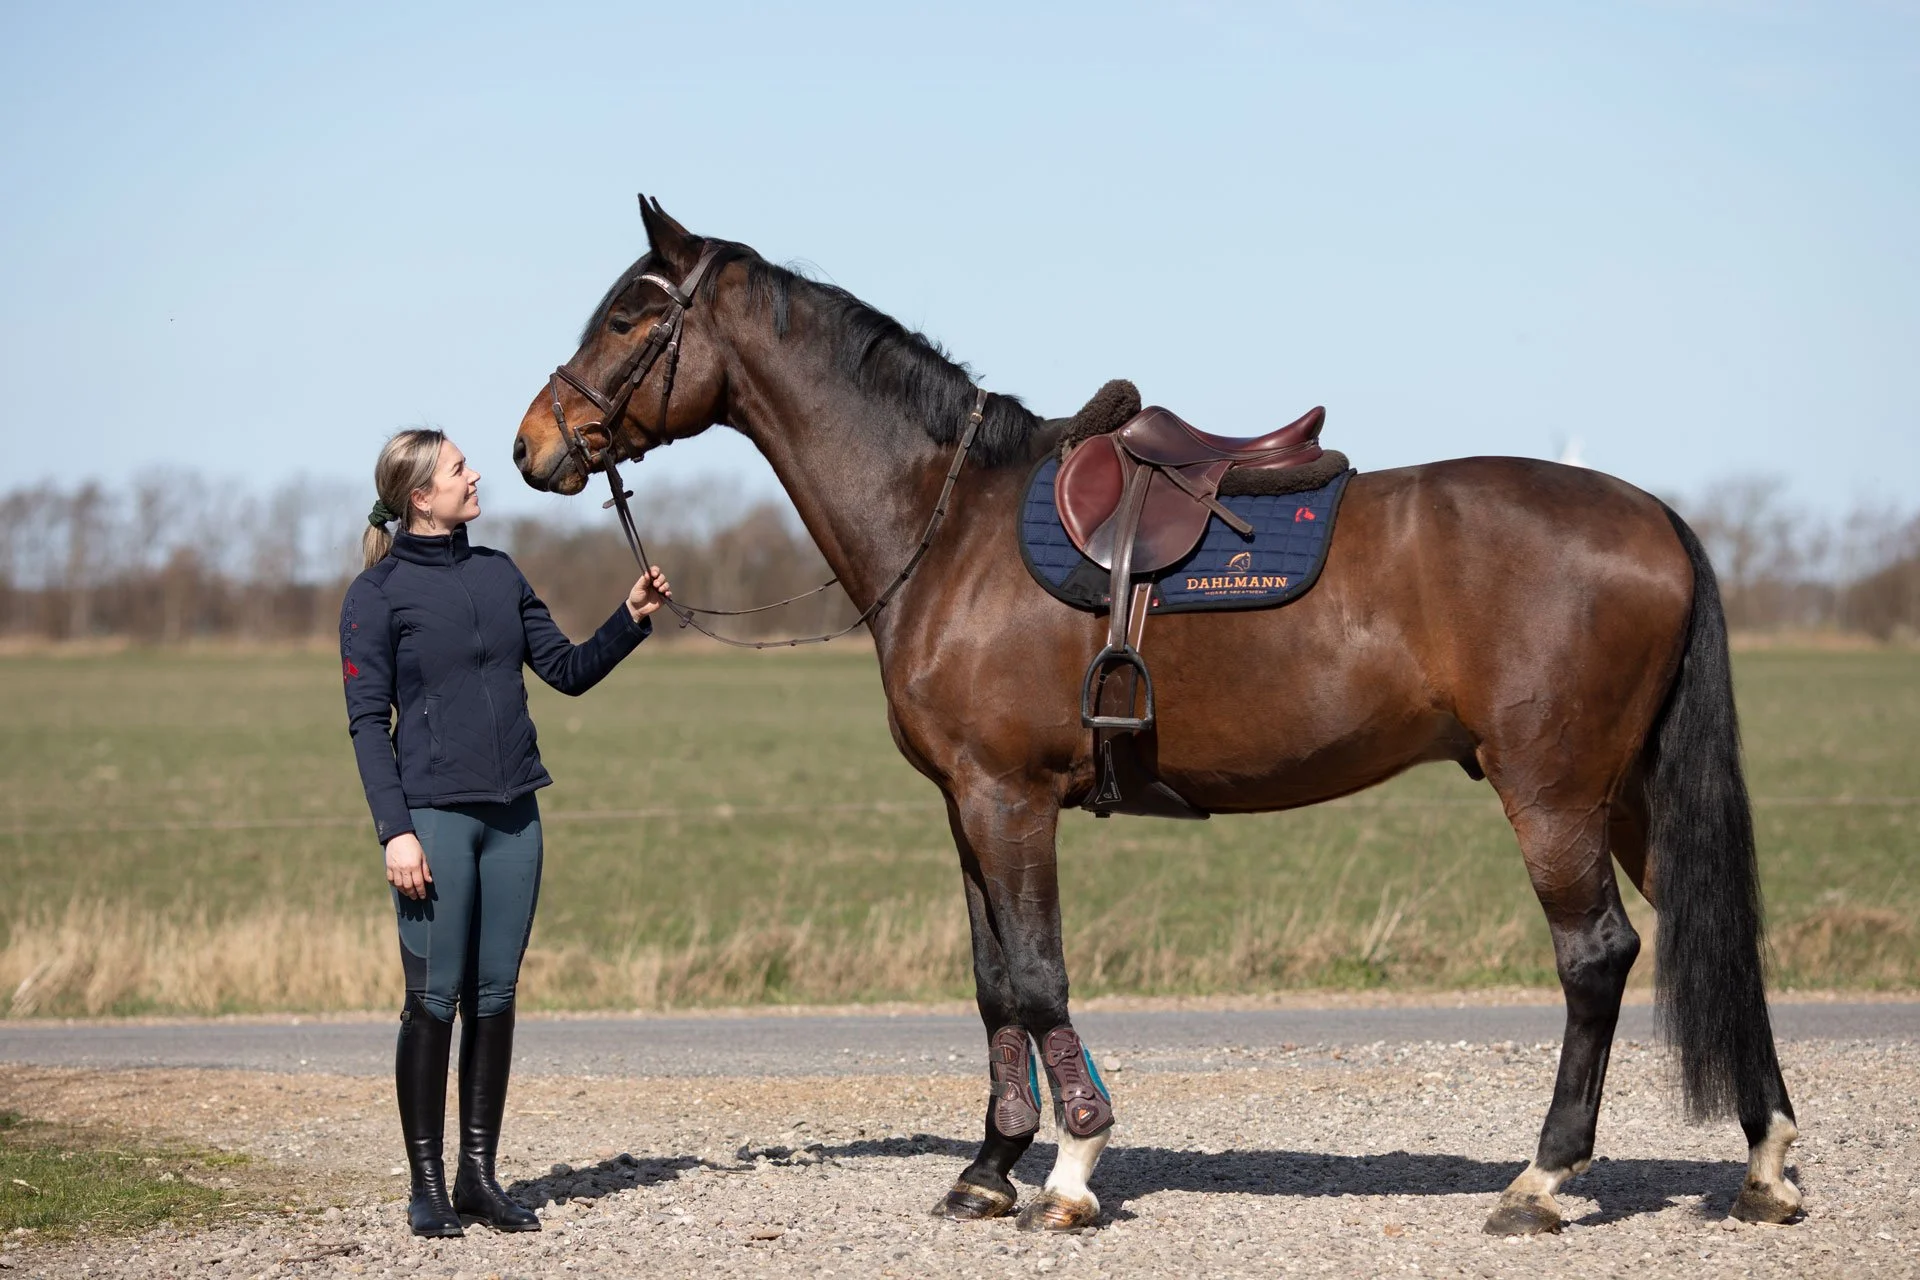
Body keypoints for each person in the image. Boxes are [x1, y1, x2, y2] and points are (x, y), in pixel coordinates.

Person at [340, 428, 668, 1237]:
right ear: (421, 496)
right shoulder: (375, 597)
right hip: (435, 822)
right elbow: (363, 724)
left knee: (496, 998)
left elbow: (565, 671)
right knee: (432, 1001)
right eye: (458, 468)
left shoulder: (499, 573)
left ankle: (477, 1178)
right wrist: (396, 833)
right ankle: (425, 1187)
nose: (475, 473)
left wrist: (628, 619)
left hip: (515, 814)